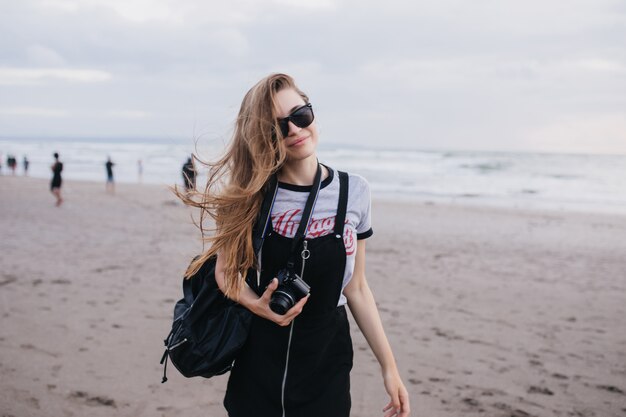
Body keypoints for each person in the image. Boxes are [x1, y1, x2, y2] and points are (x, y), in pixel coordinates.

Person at [176, 74, 410, 417]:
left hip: (326, 364)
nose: (294, 130)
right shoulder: (248, 196)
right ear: (263, 137)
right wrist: (257, 305)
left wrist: (390, 368)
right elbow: (225, 274)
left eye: (300, 115)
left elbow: (356, 288)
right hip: (259, 365)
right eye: (277, 127)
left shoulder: (353, 192)